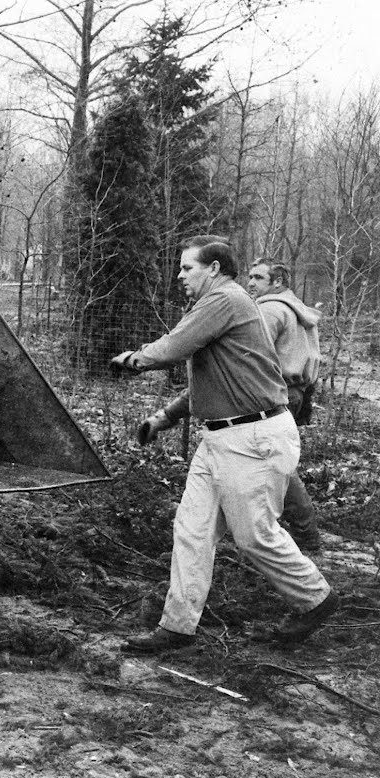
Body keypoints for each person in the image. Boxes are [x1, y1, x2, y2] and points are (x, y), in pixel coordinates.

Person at [110, 236, 339, 653]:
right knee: (192, 530)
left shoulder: (226, 300)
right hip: (219, 436)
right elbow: (207, 381)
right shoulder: (221, 307)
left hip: (253, 437)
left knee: (254, 535)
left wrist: (133, 359)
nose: (179, 276)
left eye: (187, 268)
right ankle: (177, 626)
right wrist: (164, 418)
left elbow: (173, 348)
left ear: (214, 269)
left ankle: (315, 599)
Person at [245, 259, 326, 551]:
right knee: (268, 460)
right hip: (294, 391)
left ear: (277, 282)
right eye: (249, 276)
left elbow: (249, 355)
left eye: (258, 277)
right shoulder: (297, 310)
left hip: (272, 392)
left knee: (276, 463)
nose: (250, 283)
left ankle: (306, 535)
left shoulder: (269, 310)